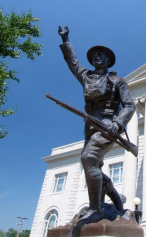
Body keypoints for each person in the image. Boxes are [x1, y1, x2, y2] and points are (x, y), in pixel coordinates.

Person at [58, 26, 136, 226]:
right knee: (92, 166)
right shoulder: (86, 77)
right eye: (94, 55)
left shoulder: (117, 81)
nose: (97, 57)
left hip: (108, 125)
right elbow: (72, 62)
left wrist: (118, 124)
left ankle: (95, 209)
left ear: (108, 61)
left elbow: (129, 105)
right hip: (90, 126)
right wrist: (66, 39)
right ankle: (116, 200)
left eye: (101, 55)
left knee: (89, 158)